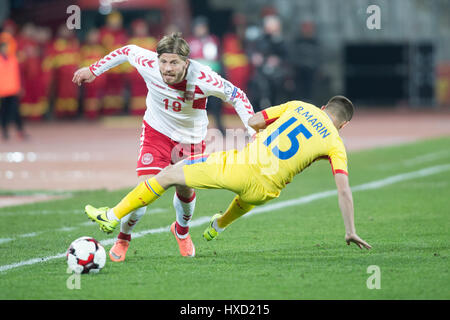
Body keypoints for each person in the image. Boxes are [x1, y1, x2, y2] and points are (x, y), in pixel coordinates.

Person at [84, 96, 372, 252]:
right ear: (343, 125)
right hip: (266, 192)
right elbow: (344, 189)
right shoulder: (336, 142)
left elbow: (254, 120)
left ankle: (111, 217)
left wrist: (263, 132)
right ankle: (218, 225)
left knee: (170, 173)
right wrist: (350, 230)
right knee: (249, 197)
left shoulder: (299, 106)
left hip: (240, 167)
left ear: (322, 107)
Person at [73, 32, 255, 261]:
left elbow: (238, 96)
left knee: (185, 191)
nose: (167, 68)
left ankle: (181, 231)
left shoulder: (204, 78)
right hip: (156, 133)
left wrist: (254, 132)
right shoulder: (149, 63)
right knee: (145, 189)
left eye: (174, 63)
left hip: (190, 140)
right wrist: (93, 70)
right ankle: (123, 238)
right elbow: (127, 51)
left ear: (186, 63)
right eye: (164, 61)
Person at [0, 25, 26, 141]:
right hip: (3, 91)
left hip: (13, 89)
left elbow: (16, 75)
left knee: (15, 112)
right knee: (4, 112)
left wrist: (19, 87)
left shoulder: (12, 59)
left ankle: (19, 130)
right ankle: (5, 131)